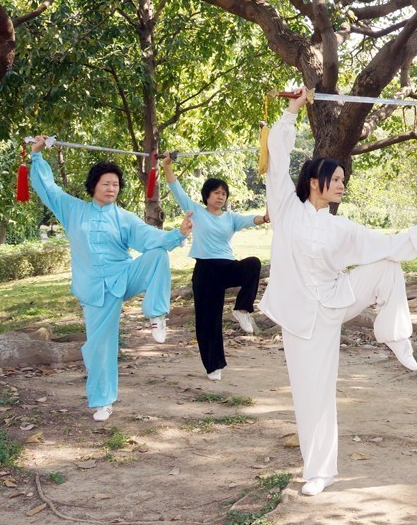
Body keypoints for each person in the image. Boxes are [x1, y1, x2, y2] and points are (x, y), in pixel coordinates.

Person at [258, 87, 417, 497]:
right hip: (299, 317)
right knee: (313, 394)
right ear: (313, 182)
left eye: (344, 179)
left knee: (385, 265)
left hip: (335, 301)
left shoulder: (341, 228)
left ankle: (396, 336)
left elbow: (387, 243)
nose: (341, 184)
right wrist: (291, 112)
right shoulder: (287, 210)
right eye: (335, 179)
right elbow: (276, 160)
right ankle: (318, 472)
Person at [29, 136, 193, 422]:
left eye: (115, 184)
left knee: (157, 255)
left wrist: (178, 234)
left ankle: (156, 314)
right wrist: (38, 157)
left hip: (124, 277)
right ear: (93, 186)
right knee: (99, 346)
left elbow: (149, 238)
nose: (111, 188)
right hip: (94, 290)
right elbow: (49, 190)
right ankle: (102, 401)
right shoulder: (73, 210)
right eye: (106, 183)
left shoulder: (124, 217)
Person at [162, 156, 268, 381]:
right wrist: (167, 165)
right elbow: (175, 188)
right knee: (208, 320)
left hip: (227, 267)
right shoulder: (196, 212)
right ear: (207, 196)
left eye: (224, 193)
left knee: (253, 263)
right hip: (205, 271)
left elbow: (254, 219)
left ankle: (241, 309)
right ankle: (214, 366)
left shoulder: (231, 218)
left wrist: (266, 216)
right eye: (217, 193)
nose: (221, 197)